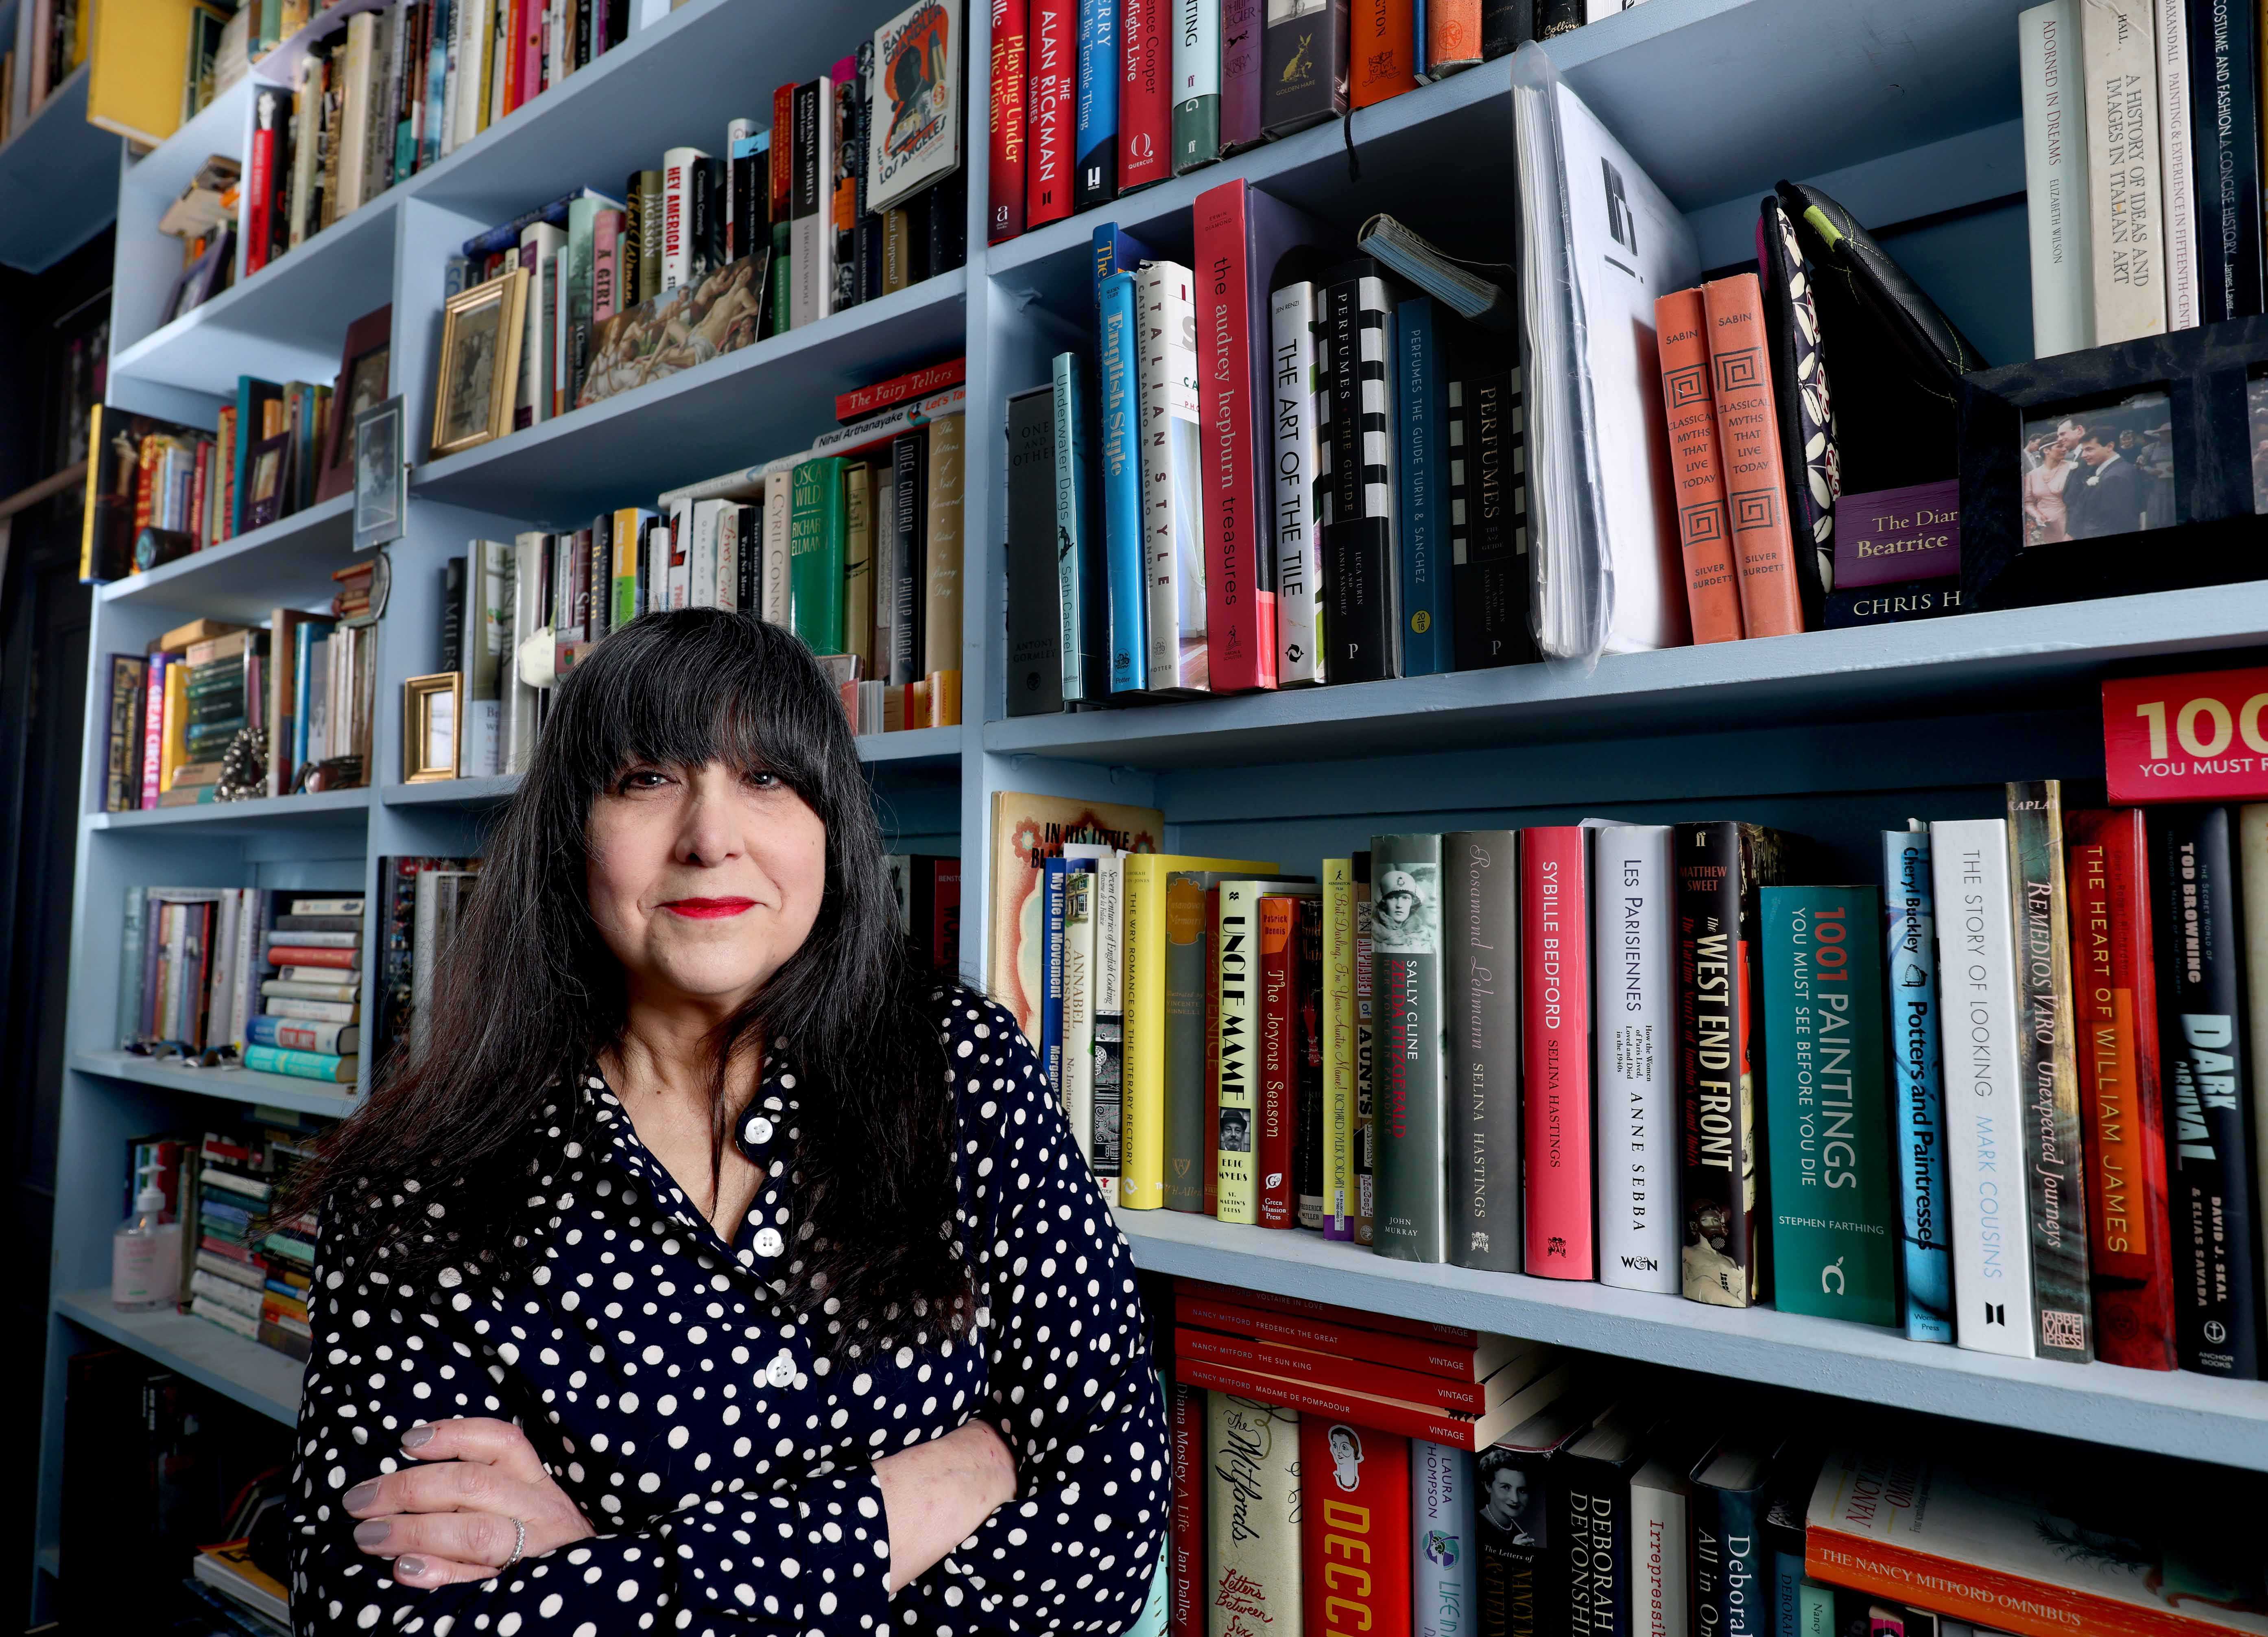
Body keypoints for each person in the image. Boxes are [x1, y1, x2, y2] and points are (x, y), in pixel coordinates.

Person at [283, 610, 1168, 1635]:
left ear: (831, 829)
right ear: (571, 830)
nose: (711, 837)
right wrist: (914, 1502)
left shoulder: (957, 1065)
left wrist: (599, 1567)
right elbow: (375, 1619)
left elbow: (1108, 1517)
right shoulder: (414, 1184)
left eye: (766, 780)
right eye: (647, 778)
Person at [2065, 424, 2146, 540]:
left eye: (2089, 449)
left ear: (2110, 447)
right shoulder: (2113, 469)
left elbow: (2114, 527)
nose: (2083, 456)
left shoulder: (2115, 478)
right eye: (2083, 450)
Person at [2021, 430, 2074, 545]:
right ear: (2046, 451)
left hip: (2068, 524)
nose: (2065, 449)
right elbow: (2028, 502)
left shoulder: (2071, 468)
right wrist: (2038, 516)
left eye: (2065, 446)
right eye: (2060, 446)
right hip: (2045, 528)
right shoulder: (2032, 475)